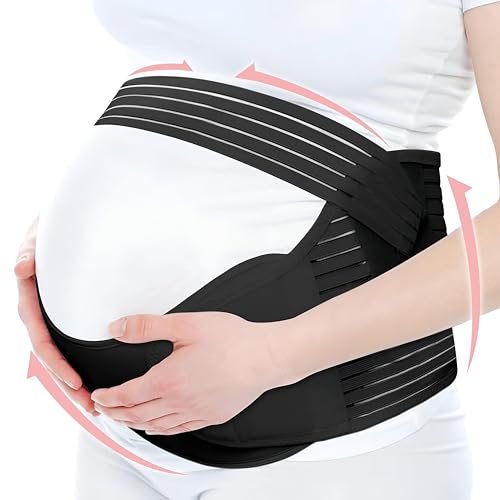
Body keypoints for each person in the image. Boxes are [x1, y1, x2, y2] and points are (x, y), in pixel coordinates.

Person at [14, 1, 500, 499]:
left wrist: (270, 356)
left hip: (331, 453)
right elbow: (198, 74)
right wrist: (58, 245)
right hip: (117, 431)